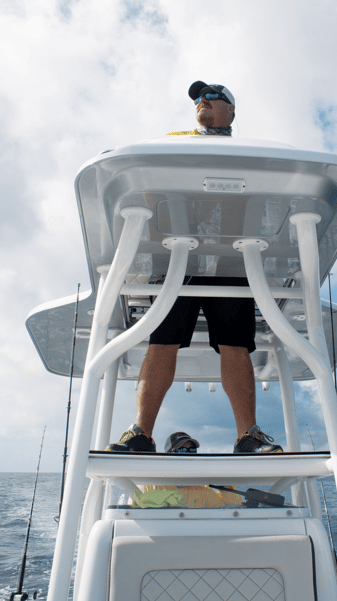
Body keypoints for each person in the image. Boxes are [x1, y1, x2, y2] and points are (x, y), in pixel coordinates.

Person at [107, 81, 282, 455]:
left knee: (235, 344)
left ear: (231, 111)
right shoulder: (173, 144)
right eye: (200, 97)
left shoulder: (248, 154)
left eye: (214, 96)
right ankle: (140, 434)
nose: (204, 99)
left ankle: (247, 436)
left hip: (231, 261)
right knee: (162, 340)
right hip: (174, 259)